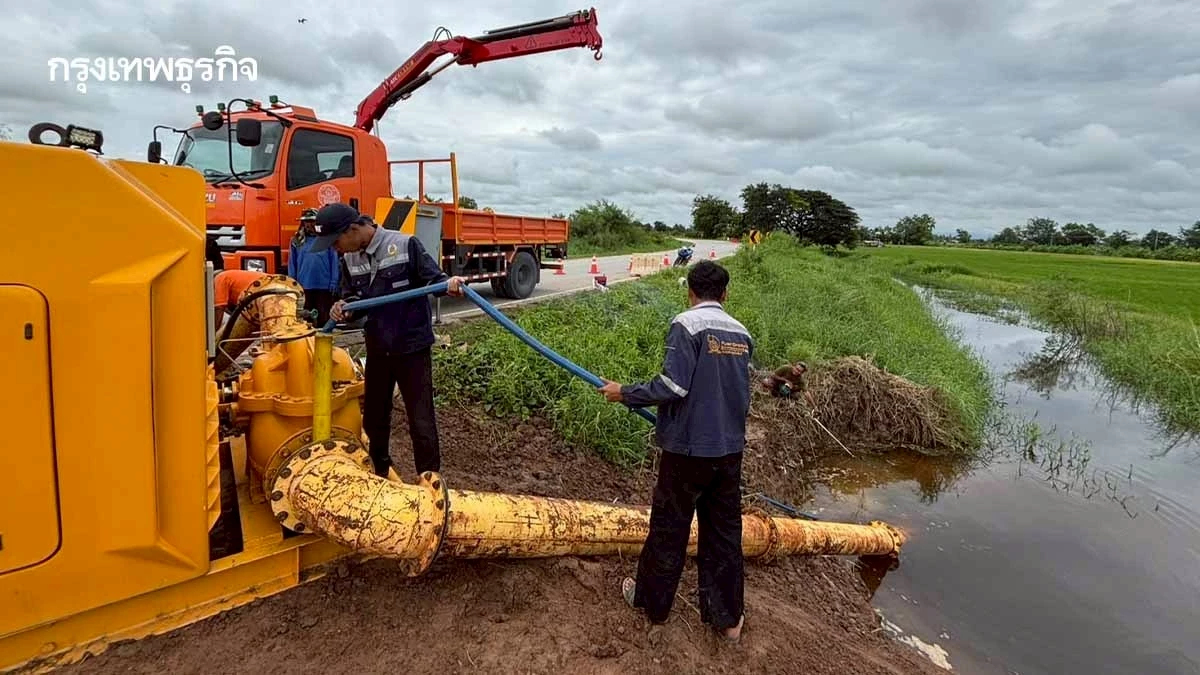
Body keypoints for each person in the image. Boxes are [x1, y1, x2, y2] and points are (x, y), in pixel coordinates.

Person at [597, 260, 754, 643]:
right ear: (725, 294)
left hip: (688, 451)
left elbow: (673, 386)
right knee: (724, 535)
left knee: (669, 528)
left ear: (690, 291)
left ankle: (652, 605)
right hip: (729, 452)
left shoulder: (686, 324)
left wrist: (625, 393)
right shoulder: (742, 333)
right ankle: (728, 619)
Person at [308, 202, 467, 479]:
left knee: (421, 420)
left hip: (411, 349)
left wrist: (451, 284)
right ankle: (378, 474)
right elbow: (353, 301)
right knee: (374, 420)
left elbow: (436, 281)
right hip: (378, 348)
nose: (335, 249)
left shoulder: (406, 245)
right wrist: (341, 308)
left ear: (354, 229)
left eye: (335, 242)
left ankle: (429, 481)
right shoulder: (349, 258)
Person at [287, 208, 340, 326]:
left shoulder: (326, 239)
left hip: (324, 286)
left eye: (312, 221)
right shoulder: (297, 240)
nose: (309, 225)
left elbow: (334, 261)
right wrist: (292, 283)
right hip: (304, 286)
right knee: (305, 319)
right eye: (306, 222)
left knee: (324, 318)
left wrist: (334, 281)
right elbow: (292, 263)